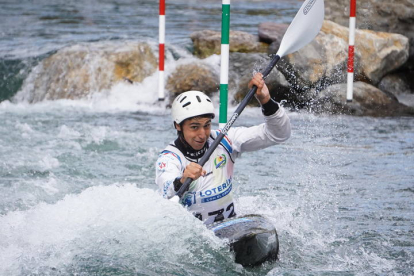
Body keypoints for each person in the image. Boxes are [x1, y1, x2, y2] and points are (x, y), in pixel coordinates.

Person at [155, 72, 291, 225]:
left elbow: (279, 134)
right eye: (194, 127)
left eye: (206, 125)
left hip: (231, 227)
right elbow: (166, 191)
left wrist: (266, 100)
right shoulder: (169, 158)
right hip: (198, 237)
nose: (202, 134)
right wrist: (182, 180)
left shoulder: (225, 140)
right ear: (178, 126)